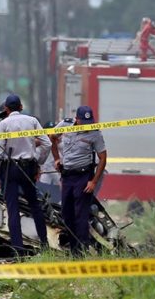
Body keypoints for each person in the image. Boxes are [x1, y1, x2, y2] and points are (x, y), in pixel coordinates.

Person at [0, 94, 51, 252]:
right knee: (35, 206)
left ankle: (18, 249)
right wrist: (37, 162)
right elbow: (47, 143)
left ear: (6, 109)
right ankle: (44, 244)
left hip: (10, 169)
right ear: (21, 107)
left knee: (12, 209)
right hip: (28, 168)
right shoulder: (32, 121)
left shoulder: (3, 124)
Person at [51, 106, 107, 254]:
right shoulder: (65, 125)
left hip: (84, 177)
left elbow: (103, 158)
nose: (87, 125)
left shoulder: (95, 134)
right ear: (77, 120)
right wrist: (57, 158)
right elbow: (52, 137)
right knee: (66, 214)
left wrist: (93, 181)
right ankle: (74, 246)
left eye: (89, 122)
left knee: (80, 214)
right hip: (67, 176)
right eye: (84, 122)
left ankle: (81, 250)